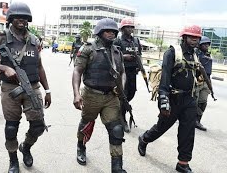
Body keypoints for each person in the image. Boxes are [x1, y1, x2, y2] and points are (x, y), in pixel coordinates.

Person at [0, 2, 51, 173]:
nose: (22, 20)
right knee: (11, 127)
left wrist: (47, 90)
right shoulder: (1, 38)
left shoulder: (34, 40)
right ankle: (13, 159)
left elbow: (39, 66)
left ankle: (26, 147)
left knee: (38, 126)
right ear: (11, 18)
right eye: (17, 17)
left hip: (32, 87)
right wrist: (3, 68)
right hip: (10, 88)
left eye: (25, 17)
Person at [137, 25, 202, 173]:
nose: (195, 39)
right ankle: (144, 139)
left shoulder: (195, 54)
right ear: (184, 37)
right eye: (191, 36)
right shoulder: (172, 52)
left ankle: (183, 163)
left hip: (189, 99)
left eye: (197, 37)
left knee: (188, 132)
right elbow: (164, 79)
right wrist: (163, 101)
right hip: (173, 98)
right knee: (161, 127)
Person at [72, 18, 127, 173]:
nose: (111, 34)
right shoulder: (88, 49)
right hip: (91, 95)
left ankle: (117, 166)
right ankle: (81, 147)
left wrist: (121, 87)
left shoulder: (117, 51)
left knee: (116, 130)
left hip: (111, 97)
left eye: (114, 31)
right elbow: (77, 71)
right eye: (107, 31)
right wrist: (76, 94)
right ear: (100, 32)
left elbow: (122, 72)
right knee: (86, 124)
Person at [113, 17, 142, 133]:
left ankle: (120, 109)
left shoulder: (136, 41)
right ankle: (122, 118)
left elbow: (139, 53)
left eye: (131, 27)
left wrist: (140, 66)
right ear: (122, 29)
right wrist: (125, 57)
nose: (130, 29)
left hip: (133, 72)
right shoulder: (118, 41)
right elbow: (114, 55)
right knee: (124, 95)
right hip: (122, 72)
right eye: (127, 27)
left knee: (132, 93)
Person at [195, 36, 212, 131]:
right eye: (204, 44)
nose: (206, 46)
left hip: (206, 81)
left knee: (203, 102)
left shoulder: (208, 55)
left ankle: (197, 121)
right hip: (197, 80)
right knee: (194, 102)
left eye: (207, 44)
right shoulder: (195, 54)